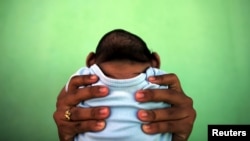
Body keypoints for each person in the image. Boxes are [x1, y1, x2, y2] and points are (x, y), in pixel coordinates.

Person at [53, 30, 197, 141]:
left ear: (91, 61)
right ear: (155, 62)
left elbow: (64, 103)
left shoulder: (83, 76)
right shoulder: (161, 79)